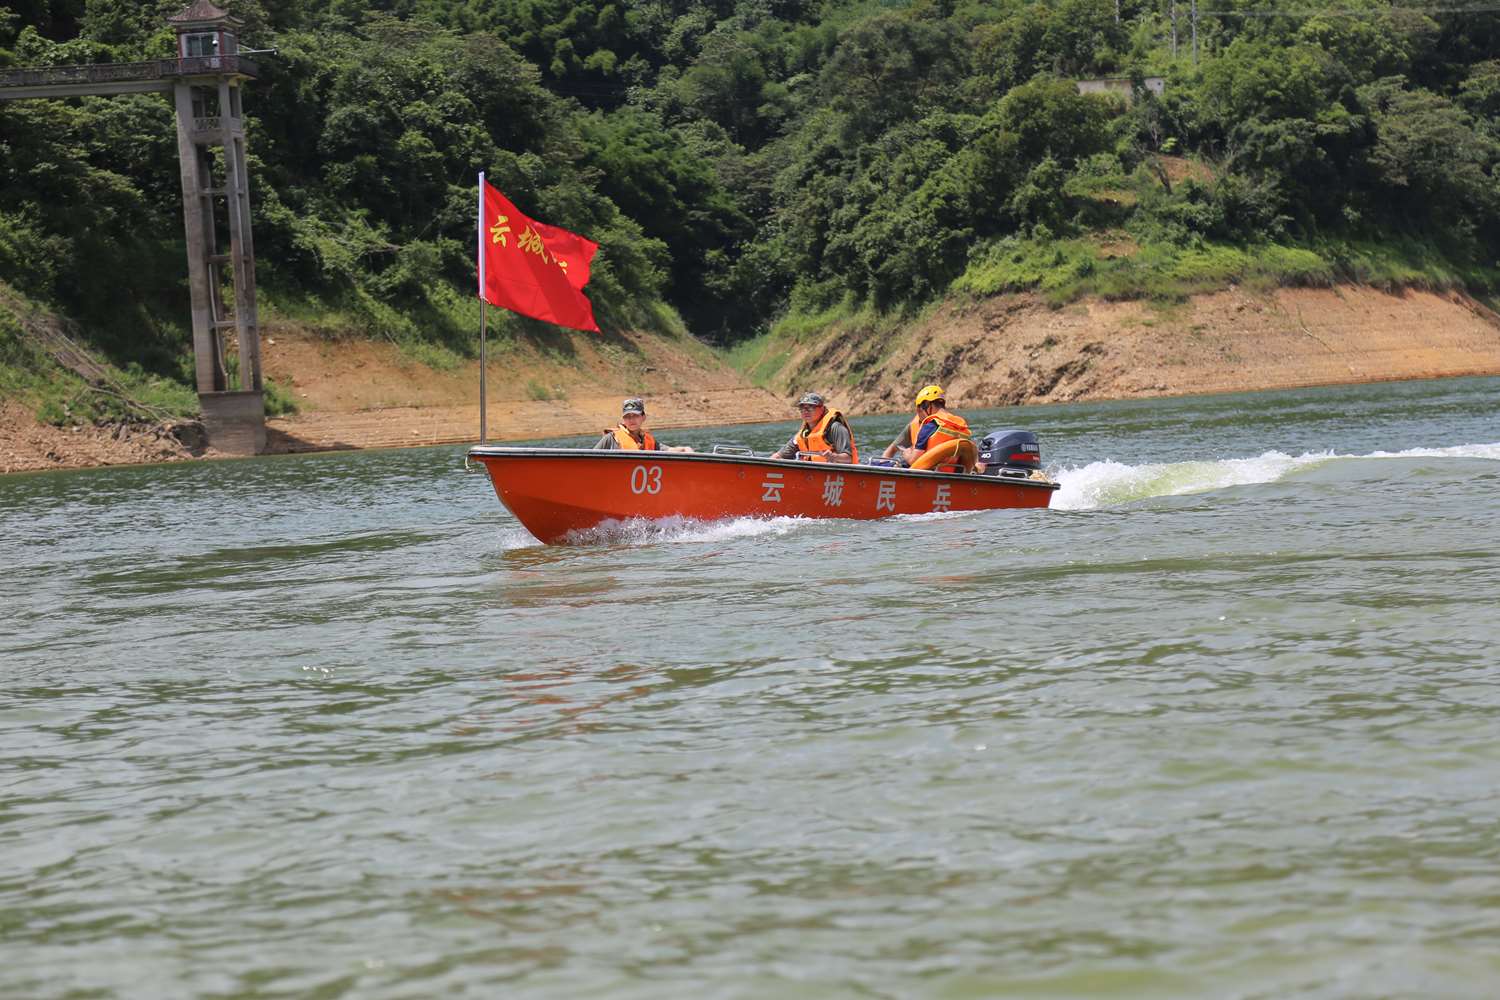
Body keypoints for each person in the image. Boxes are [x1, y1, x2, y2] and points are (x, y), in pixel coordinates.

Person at [884, 384, 971, 467]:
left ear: (927, 405)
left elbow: (913, 461)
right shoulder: (961, 425)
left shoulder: (930, 426)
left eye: (920, 408)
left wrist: (906, 453)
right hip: (951, 470)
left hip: (929, 470)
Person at [765, 392, 858, 463]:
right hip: (812, 476)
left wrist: (832, 456)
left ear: (822, 408)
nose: (805, 411)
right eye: (802, 408)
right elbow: (779, 456)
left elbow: (848, 458)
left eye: (810, 407)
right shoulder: (802, 435)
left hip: (837, 476)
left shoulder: (835, 428)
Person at [594, 398, 692, 452]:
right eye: (627, 416)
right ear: (623, 419)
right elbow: (591, 457)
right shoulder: (610, 439)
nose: (631, 420)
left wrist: (684, 449)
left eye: (635, 416)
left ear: (643, 417)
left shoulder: (649, 440)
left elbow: (668, 450)